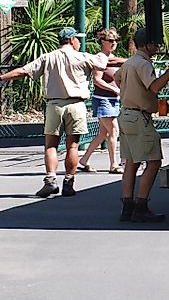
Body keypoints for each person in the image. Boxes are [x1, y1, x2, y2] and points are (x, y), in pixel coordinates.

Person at [0, 27, 107, 198]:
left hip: (54, 105)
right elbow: (105, 63)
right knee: (73, 145)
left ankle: (50, 180)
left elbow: (23, 71)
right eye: (78, 39)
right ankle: (69, 182)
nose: (79, 42)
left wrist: (1, 77)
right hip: (76, 104)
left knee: (51, 144)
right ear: (71, 40)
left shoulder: (48, 57)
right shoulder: (83, 57)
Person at [115, 28, 169, 222]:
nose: (157, 47)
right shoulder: (143, 64)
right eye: (155, 44)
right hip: (140, 116)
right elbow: (155, 86)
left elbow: (116, 78)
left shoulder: (130, 62)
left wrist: (130, 92)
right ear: (147, 45)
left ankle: (127, 206)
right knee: (154, 161)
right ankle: (141, 205)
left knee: (132, 162)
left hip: (126, 114)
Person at [78, 28, 127, 174]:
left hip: (113, 100)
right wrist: (114, 90)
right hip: (103, 99)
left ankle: (84, 159)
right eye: (110, 40)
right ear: (102, 41)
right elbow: (97, 79)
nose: (114, 43)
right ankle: (113, 165)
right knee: (114, 131)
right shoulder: (99, 57)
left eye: (116, 40)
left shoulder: (112, 57)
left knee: (103, 133)